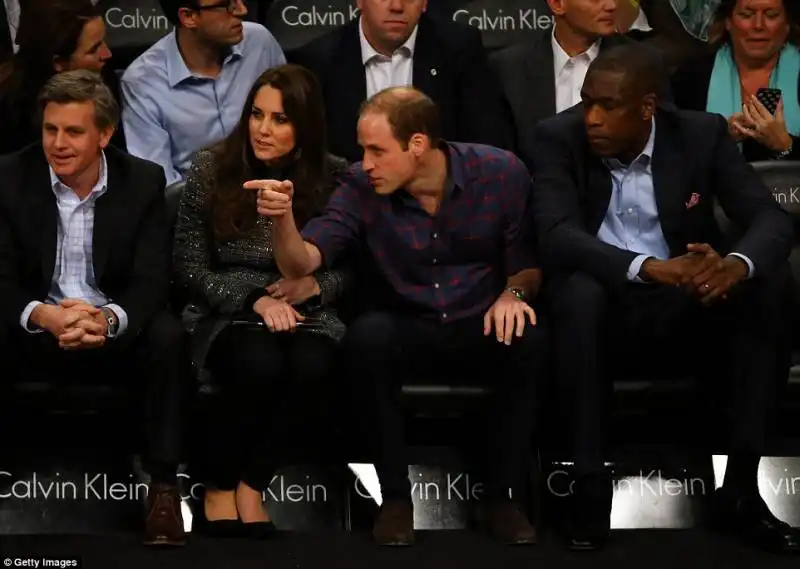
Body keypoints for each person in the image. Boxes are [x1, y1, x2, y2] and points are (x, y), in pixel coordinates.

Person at [530, 43, 799, 552]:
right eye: (587, 102)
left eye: (608, 106)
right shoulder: (556, 138)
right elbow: (557, 233)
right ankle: (588, 489)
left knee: (769, 283)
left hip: (685, 302)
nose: (592, 117)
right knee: (580, 294)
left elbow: (770, 217)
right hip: (606, 302)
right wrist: (648, 268)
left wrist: (732, 266)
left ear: (648, 107)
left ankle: (741, 491)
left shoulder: (699, 134)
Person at [251, 86, 545, 547]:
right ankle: (394, 501)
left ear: (418, 145)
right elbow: (302, 261)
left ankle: (505, 499)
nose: (366, 163)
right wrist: (283, 219)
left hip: (480, 317)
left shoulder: (500, 173)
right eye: (363, 150)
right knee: (368, 338)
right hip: (407, 322)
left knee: (524, 335)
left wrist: (513, 292)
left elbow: (527, 265)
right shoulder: (359, 187)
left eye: (377, 151)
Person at [0, 70, 187, 546]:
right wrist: (45, 315)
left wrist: (105, 320)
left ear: (105, 134)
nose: (58, 143)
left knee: (166, 335)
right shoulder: (9, 177)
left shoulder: (143, 182)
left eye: (74, 131)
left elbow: (151, 281)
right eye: (50, 129)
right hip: (36, 328)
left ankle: (164, 490)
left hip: (110, 330)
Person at [172, 64, 350, 538]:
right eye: (257, 114)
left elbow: (355, 267)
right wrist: (253, 298)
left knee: (314, 366)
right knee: (257, 361)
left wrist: (317, 288)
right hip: (226, 310)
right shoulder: (212, 168)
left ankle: (252, 483)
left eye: (280, 119)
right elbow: (190, 266)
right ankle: (216, 484)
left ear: (306, 126)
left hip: (307, 312)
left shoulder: (336, 177)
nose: (263, 129)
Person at [287, 0, 511, 163]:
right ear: (359, 2)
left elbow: (486, 144)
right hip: (354, 203)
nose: (396, 6)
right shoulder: (319, 60)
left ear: (424, 3)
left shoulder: (458, 49)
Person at [120, 0, 285, 185]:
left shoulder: (259, 42)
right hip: (197, 205)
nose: (242, 10)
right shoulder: (143, 81)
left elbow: (297, 117)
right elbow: (158, 181)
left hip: (275, 190)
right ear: (189, 17)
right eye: (228, 5)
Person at [490, 0, 630, 170]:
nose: (611, 5)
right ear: (557, 4)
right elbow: (500, 161)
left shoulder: (641, 65)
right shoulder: (508, 69)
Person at [672, 0, 799, 161]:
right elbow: (670, 154)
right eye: (746, 15)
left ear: (787, 24)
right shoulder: (691, 78)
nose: (758, 25)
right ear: (728, 22)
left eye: (771, 15)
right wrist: (716, 136)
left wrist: (786, 145)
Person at [0, 0, 117, 155]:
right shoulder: (11, 118)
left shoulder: (106, 81)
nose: (107, 54)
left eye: (104, 41)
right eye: (94, 49)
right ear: (58, 63)